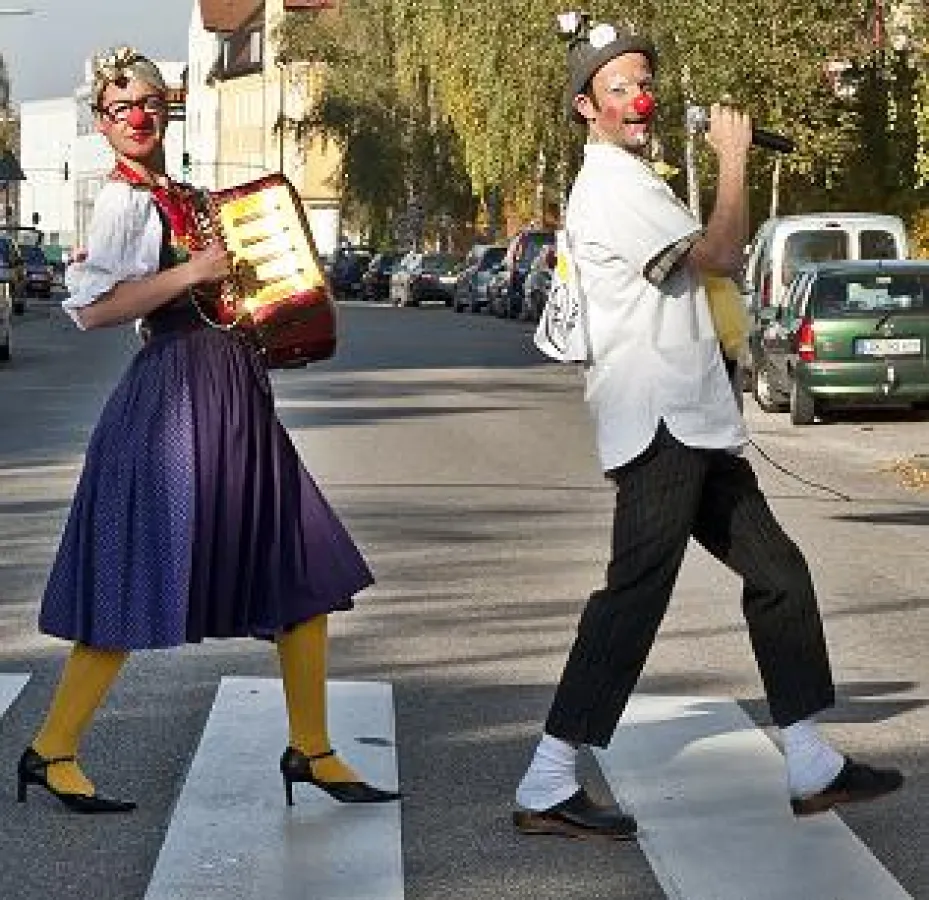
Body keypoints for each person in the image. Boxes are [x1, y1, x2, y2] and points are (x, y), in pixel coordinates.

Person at [512, 15, 903, 840]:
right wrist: (731, 161)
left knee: (778, 573)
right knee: (632, 598)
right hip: (658, 424)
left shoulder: (634, 178)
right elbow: (721, 254)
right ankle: (548, 778)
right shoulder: (612, 187)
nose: (639, 97)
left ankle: (807, 761)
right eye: (618, 87)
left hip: (691, 421)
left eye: (644, 81)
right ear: (587, 107)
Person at [17, 46, 399, 813]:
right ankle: (52, 748)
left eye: (150, 103)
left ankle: (312, 749)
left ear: (169, 110)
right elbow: (92, 309)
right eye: (121, 107)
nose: (137, 117)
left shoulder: (187, 194)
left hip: (234, 391)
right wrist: (192, 274)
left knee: (301, 566)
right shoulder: (127, 202)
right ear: (101, 122)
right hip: (173, 402)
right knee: (133, 576)